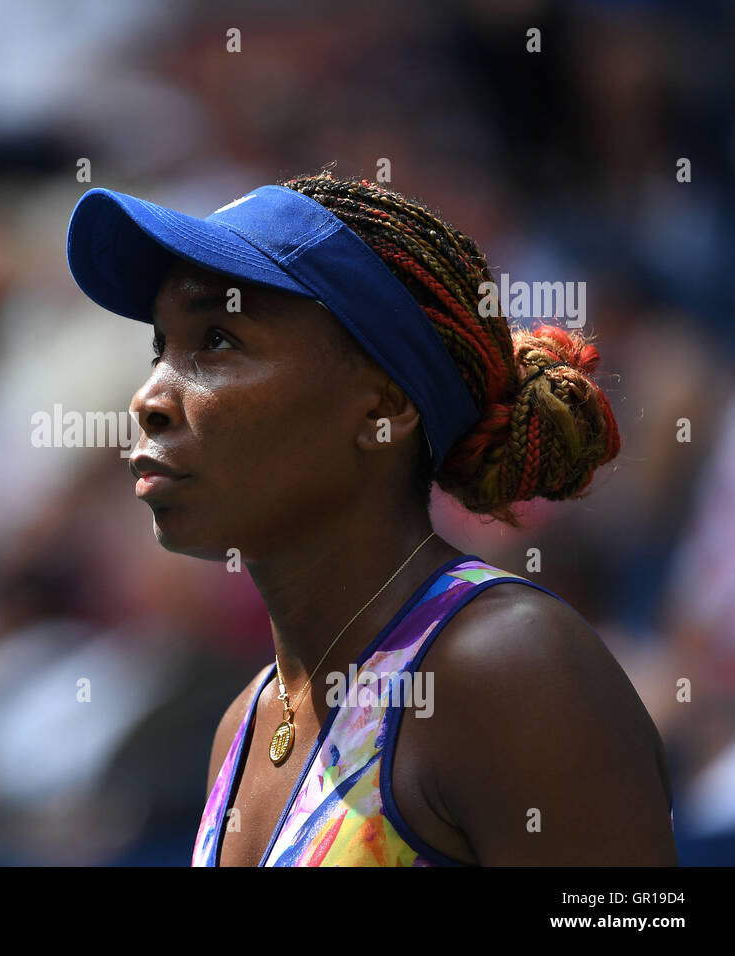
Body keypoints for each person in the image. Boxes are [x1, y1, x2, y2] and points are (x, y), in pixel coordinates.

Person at [64, 172, 677, 866]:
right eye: (160, 349)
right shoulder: (245, 720)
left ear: (383, 409)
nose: (150, 396)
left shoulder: (509, 667)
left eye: (217, 341)